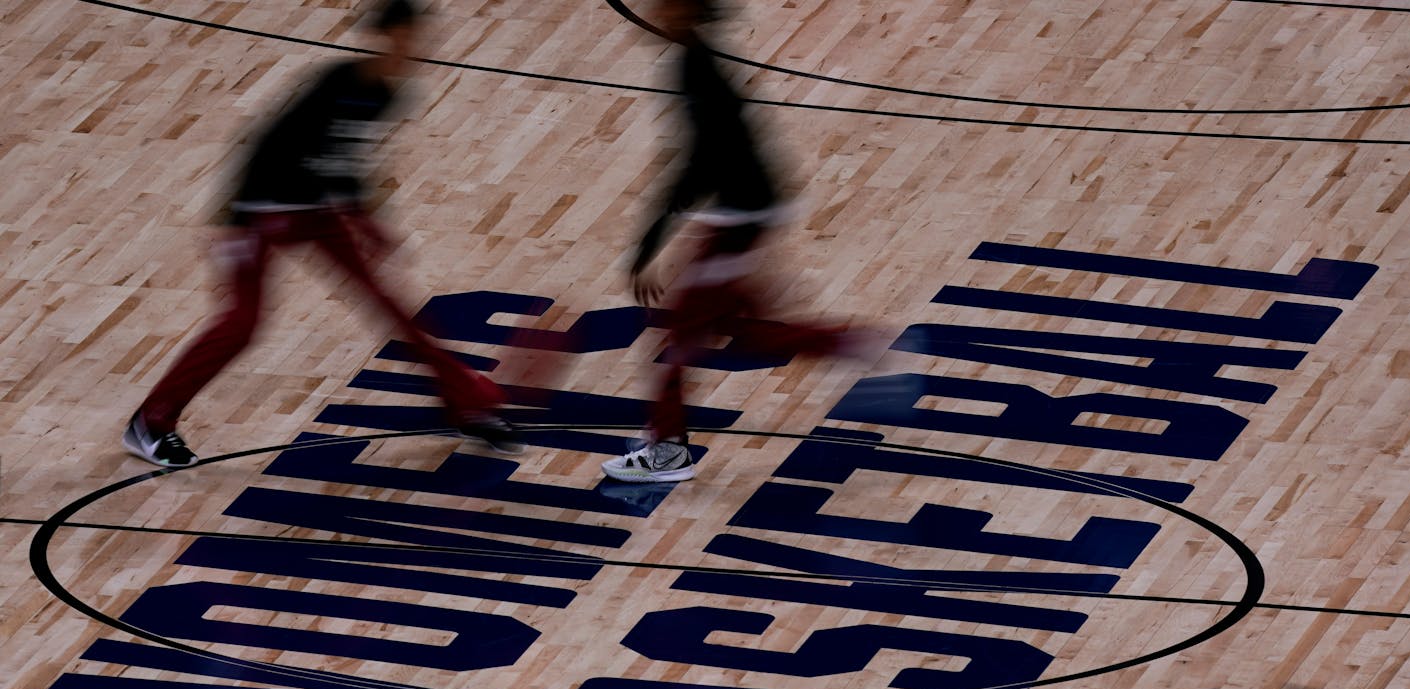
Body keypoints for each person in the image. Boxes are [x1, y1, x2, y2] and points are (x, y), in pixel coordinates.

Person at [122, 0, 520, 469]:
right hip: (259, 211)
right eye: (405, 36)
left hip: (318, 213)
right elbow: (266, 145)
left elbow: (346, 161)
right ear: (385, 36)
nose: (413, 47)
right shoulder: (336, 82)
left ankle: (467, 405)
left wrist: (366, 219)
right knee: (241, 324)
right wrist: (230, 224)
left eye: (417, 37)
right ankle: (151, 422)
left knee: (395, 309)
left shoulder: (391, 95)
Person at [601, 0, 862, 483]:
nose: (655, 9)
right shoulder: (695, 62)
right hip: (745, 209)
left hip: (739, 217)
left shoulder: (696, 71)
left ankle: (669, 452)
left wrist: (649, 242)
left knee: (680, 333)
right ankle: (853, 344)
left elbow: (694, 166)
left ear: (687, 12)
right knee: (741, 329)